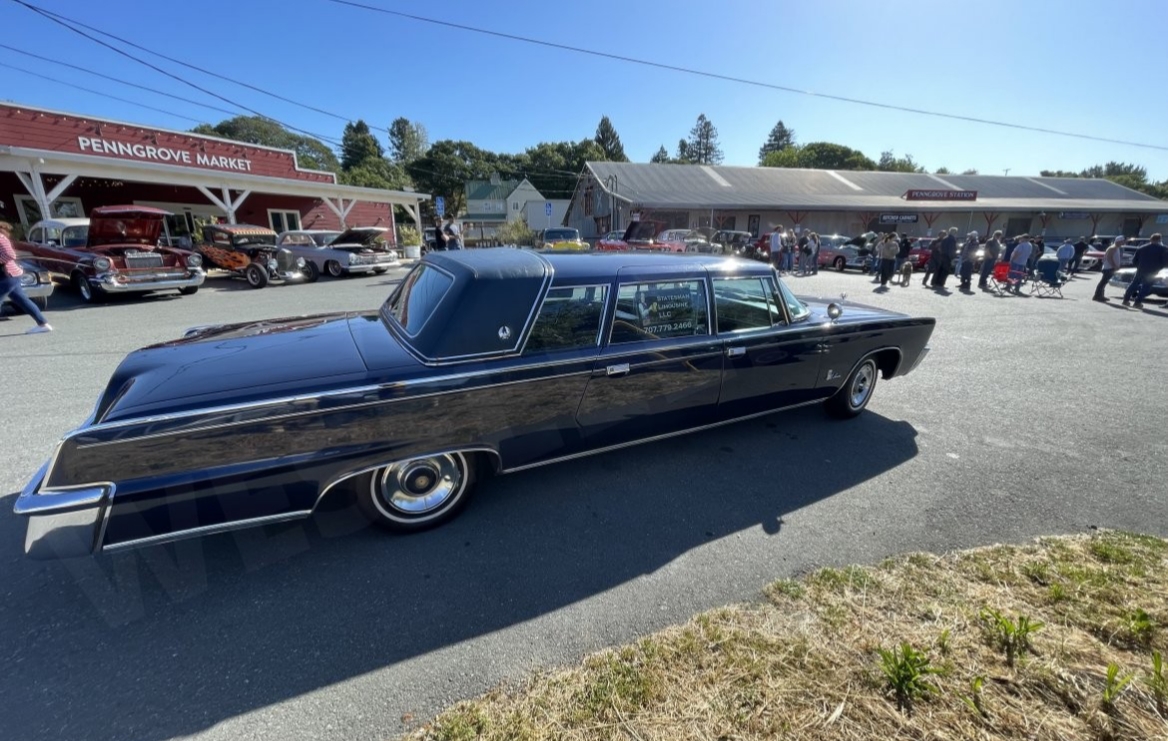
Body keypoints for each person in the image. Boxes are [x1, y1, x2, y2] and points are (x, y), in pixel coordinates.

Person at [0, 220, 53, 334]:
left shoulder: (1, 238)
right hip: (9, 277)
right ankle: (43, 324)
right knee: (22, 300)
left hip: (7, 275)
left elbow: (10, 255)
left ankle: (43, 323)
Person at [1123, 233, 1167, 309]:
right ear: (1160, 240)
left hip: (1141, 269)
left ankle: (1126, 300)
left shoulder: (1141, 248)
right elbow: (1165, 262)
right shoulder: (1164, 249)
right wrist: (1159, 268)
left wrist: (1139, 266)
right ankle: (1137, 302)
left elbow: (1134, 261)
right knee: (1146, 287)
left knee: (1133, 284)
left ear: (1150, 239)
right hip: (1153, 271)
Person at [1093, 235, 1125, 302]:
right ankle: (1097, 296)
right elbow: (1109, 258)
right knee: (1103, 282)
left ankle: (1101, 295)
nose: (1123, 243)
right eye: (1122, 241)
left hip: (1109, 268)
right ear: (1118, 241)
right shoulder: (1113, 248)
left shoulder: (1116, 248)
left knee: (1104, 283)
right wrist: (1114, 266)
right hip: (1108, 268)